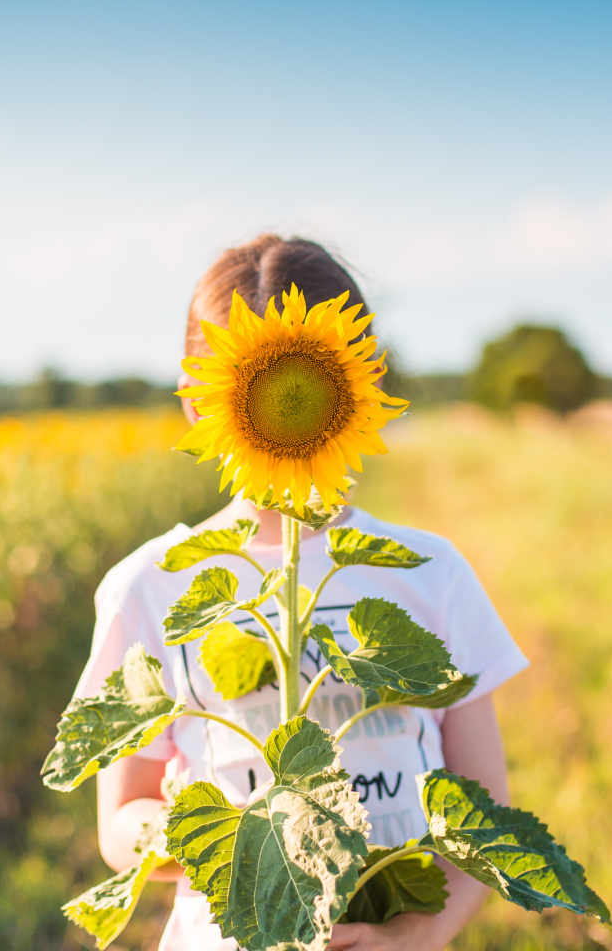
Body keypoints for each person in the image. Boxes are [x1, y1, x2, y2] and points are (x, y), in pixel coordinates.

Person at [76, 234, 529, 951]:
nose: (289, 402)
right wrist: (227, 836)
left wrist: (415, 936)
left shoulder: (430, 572)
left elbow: (487, 817)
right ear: (199, 402)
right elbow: (118, 824)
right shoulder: (152, 585)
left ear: (364, 384)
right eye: (256, 383)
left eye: (311, 379)